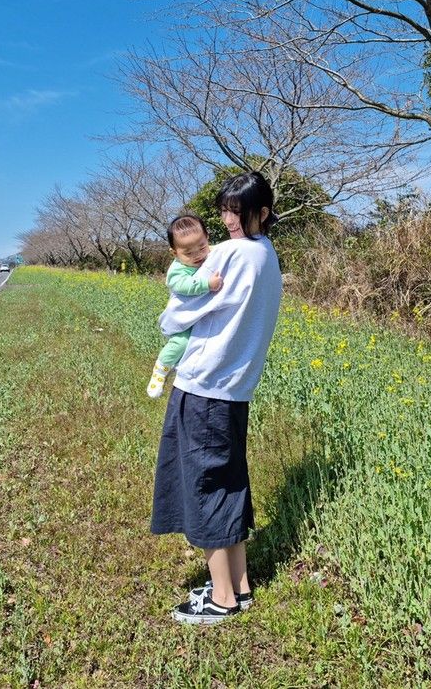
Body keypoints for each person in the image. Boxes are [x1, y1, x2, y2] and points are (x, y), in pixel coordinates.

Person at [151, 171, 282, 624]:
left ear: (262, 212)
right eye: (224, 209)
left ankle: (221, 598)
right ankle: (240, 585)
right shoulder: (267, 254)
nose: (227, 219)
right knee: (228, 480)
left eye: (237, 210)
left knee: (205, 484)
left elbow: (174, 316)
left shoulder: (229, 254)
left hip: (204, 384)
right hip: (235, 388)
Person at [147, 214, 223, 399]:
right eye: (188, 253)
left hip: (196, 317)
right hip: (180, 321)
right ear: (174, 253)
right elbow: (184, 286)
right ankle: (160, 370)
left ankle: (176, 367)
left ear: (207, 240)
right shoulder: (176, 270)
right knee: (181, 342)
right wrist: (207, 284)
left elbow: (220, 249)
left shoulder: (210, 252)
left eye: (202, 247)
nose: (197, 255)